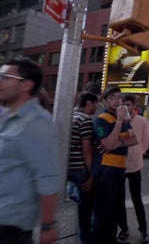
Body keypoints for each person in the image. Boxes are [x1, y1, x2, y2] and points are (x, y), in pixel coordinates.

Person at [0, 56, 60, 244]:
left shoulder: (37, 123)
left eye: (6, 77)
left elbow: (48, 177)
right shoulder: (6, 115)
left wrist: (47, 225)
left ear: (26, 85)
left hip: (9, 228)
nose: (0, 81)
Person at [91, 86, 138, 243]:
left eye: (118, 97)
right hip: (106, 170)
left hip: (120, 170)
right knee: (103, 212)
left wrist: (119, 143)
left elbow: (134, 139)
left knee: (114, 211)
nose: (117, 100)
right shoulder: (102, 120)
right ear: (104, 100)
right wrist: (118, 121)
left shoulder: (125, 120)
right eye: (112, 97)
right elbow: (108, 145)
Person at [117, 93, 149, 243]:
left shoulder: (142, 121)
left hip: (134, 165)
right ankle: (124, 229)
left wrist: (138, 152)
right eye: (123, 105)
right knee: (118, 200)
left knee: (137, 199)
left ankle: (143, 229)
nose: (125, 107)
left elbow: (145, 143)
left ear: (134, 106)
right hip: (118, 165)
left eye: (128, 105)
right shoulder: (118, 120)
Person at [68, 91, 98, 243]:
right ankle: (85, 239)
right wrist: (91, 174)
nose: (97, 106)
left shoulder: (70, 116)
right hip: (80, 169)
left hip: (67, 168)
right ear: (88, 103)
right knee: (85, 210)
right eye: (95, 103)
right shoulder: (85, 119)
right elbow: (86, 149)